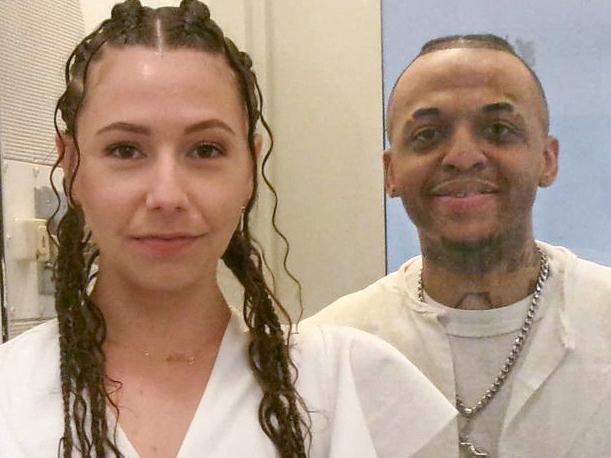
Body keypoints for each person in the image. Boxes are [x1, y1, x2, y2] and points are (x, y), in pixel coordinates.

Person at [0, 2, 456, 457]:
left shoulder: (353, 384)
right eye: (125, 150)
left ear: (250, 169)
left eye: (205, 149)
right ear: (71, 164)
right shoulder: (10, 396)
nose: (167, 195)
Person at [306, 34, 611, 457]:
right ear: (390, 173)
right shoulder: (323, 352)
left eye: (499, 130)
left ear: (548, 159)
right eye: (428, 135)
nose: (463, 156)